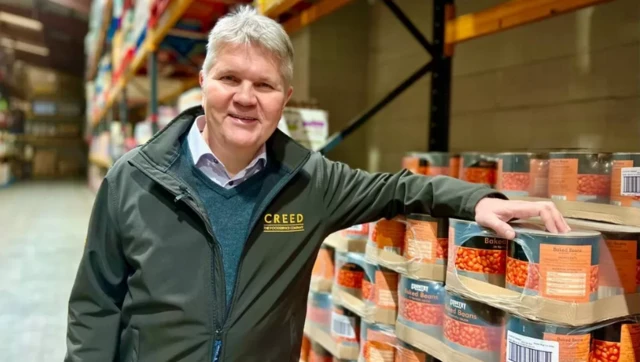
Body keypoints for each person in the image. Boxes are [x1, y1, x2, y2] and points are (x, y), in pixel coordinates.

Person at [64, 6, 569, 362]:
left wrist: (480, 199)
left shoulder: (309, 182)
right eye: (229, 79)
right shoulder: (134, 179)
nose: (245, 98)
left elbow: (397, 187)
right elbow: (96, 304)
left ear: (285, 97)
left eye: (263, 85)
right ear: (203, 82)